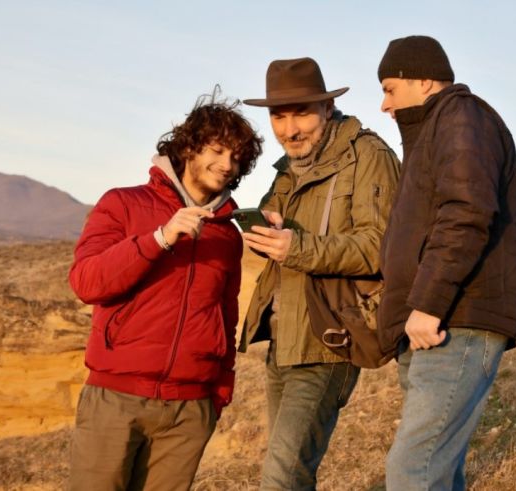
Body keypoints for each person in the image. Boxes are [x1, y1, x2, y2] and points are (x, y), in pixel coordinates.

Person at [67, 91, 262, 491]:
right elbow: (87, 282)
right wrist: (159, 238)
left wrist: (218, 391)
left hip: (189, 409)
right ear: (189, 146)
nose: (227, 165)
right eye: (218, 149)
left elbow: (225, 314)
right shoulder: (122, 204)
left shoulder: (227, 234)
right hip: (116, 397)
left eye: (237, 157)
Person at [239, 57, 400, 490]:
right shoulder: (287, 171)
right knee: (289, 474)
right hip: (282, 341)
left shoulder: (369, 155)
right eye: (278, 116)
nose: (289, 129)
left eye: (302, 113)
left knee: (281, 477)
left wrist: (298, 247)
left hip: (331, 338)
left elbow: (380, 247)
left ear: (327, 109)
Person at [375, 35, 516, 490]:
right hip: (436, 322)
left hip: (454, 320)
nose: (383, 104)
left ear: (423, 82)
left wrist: (427, 303)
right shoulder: (432, 133)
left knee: (412, 472)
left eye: (389, 88)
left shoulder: (463, 118)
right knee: (438, 472)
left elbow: (466, 214)